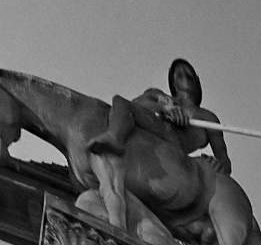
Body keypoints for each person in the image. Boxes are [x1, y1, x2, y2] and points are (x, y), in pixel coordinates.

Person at [87, 58, 233, 176]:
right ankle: (114, 136)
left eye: (189, 74)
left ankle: (114, 138)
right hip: (157, 136)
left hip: (176, 147)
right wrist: (165, 104)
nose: (184, 76)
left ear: (197, 82)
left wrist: (217, 166)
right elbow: (135, 104)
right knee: (120, 102)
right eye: (179, 74)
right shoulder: (163, 99)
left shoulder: (208, 117)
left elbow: (225, 161)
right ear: (173, 83)